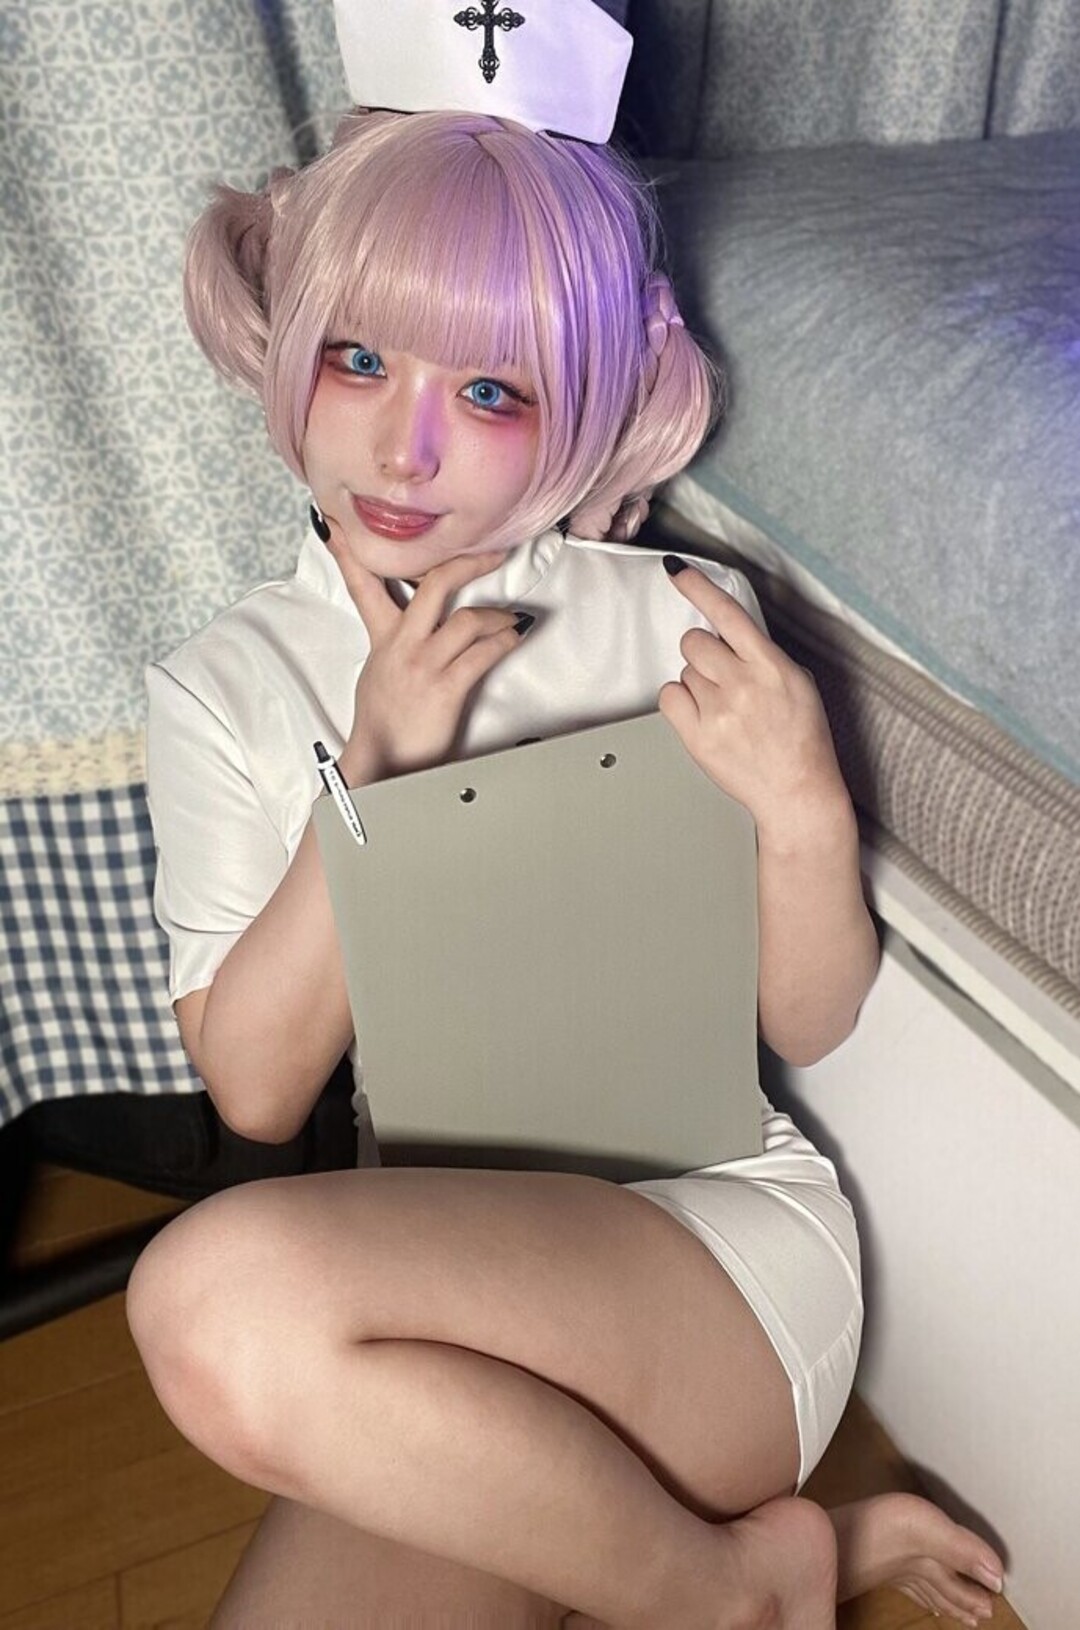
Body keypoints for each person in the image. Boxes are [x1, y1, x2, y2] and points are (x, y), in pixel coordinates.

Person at [125, 6, 1007, 1625]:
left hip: (711, 1257)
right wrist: (372, 780)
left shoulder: (672, 615)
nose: (405, 446)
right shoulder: (224, 686)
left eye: (491, 388)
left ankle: (724, 1586)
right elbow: (252, 1086)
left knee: (211, 1301)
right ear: (290, 338)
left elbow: (809, 1015)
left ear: (593, 400)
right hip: (440, 1295)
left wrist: (804, 802)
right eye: (359, 358)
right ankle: (773, 1561)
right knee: (251, 1337)